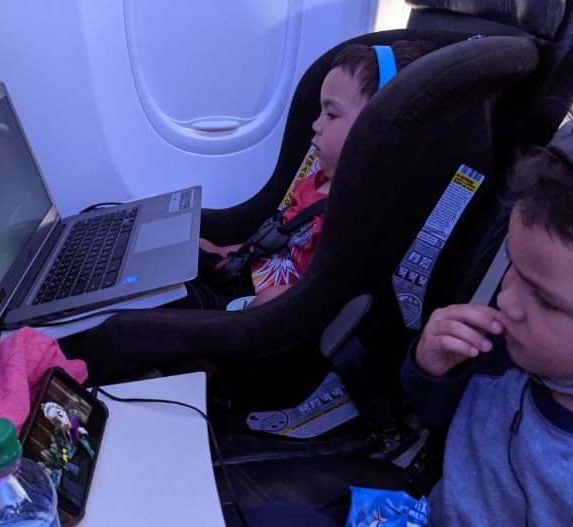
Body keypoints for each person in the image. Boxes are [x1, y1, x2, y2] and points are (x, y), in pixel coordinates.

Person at [60, 40, 434, 384]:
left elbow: (320, 290)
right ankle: (63, 303)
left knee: (124, 327)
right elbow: (278, 234)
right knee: (138, 258)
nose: (315, 125)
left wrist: (267, 303)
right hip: (241, 279)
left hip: (252, 314)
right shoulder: (317, 177)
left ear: (378, 127)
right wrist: (225, 253)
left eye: (332, 115)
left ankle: (61, 367)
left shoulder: (358, 211)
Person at [400, 96, 573, 525]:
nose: (507, 300)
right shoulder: (507, 346)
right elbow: (446, 426)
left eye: (546, 300)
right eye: (512, 265)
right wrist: (432, 369)